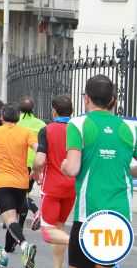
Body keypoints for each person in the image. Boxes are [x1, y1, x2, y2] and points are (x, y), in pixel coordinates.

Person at [61, 75, 137, 268]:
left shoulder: (77, 125)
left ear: (86, 98)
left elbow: (72, 168)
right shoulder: (131, 127)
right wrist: (127, 168)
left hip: (89, 212)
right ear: (113, 100)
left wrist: (63, 165)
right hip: (120, 213)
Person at [0, 103, 38, 268]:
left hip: (3, 182)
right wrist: (36, 169)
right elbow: (38, 149)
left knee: (10, 219)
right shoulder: (27, 132)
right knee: (14, 220)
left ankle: (25, 246)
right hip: (22, 182)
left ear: (2, 117)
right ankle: (5, 253)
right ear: (18, 117)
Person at [32, 95, 74, 268]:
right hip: (72, 187)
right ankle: (58, 266)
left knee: (48, 232)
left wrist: (35, 172)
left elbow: (40, 160)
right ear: (71, 111)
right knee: (59, 226)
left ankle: (81, 244)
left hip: (52, 187)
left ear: (54, 111)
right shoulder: (77, 130)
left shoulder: (47, 130)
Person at [17, 96, 45, 230]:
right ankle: (20, 220)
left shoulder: (16, 124)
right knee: (25, 192)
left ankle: (35, 211)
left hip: (19, 163)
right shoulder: (41, 124)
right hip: (35, 164)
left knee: (20, 194)